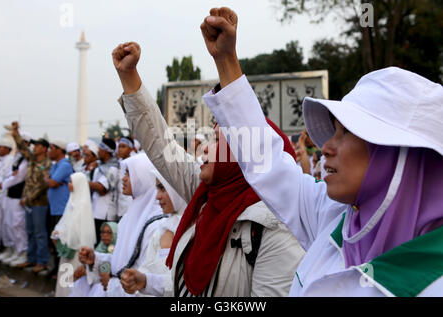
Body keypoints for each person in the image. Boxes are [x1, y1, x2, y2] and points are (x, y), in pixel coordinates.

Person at [200, 7, 443, 296]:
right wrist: (226, 61)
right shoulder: (334, 218)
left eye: (346, 132)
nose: (325, 148)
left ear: (398, 154)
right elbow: (269, 163)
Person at [113, 41, 305, 296]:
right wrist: (129, 76)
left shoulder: (275, 229)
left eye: (215, 140)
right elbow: (160, 145)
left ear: (242, 153)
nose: (203, 148)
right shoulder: (208, 198)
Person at [77, 153, 167, 297]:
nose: (123, 178)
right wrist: (96, 259)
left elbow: (151, 282)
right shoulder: (129, 216)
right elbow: (122, 262)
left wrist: (114, 286)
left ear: (144, 178)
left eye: (129, 174)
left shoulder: (158, 225)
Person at [120, 170, 186, 297]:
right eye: (157, 189)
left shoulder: (192, 230)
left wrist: (146, 282)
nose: (157, 196)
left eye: (163, 188)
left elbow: (181, 284)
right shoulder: (164, 227)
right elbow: (146, 267)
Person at [10, 122, 52, 272]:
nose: (35, 147)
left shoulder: (48, 163)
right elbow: (22, 147)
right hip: (28, 202)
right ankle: (31, 259)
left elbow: (43, 185)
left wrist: (29, 197)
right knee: (29, 231)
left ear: (45, 148)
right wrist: (15, 132)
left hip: (40, 202)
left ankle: (42, 261)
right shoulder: (32, 160)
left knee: (40, 233)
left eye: (38, 145)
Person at [51, 172, 96, 297]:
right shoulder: (73, 200)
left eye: (71, 182)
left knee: (71, 283)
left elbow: (77, 231)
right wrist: (58, 232)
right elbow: (65, 222)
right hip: (66, 249)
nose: (69, 185)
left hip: (76, 252)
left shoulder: (82, 206)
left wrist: (61, 234)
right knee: (65, 281)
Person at [1, 134, 29, 266]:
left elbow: (19, 177)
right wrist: (7, 180)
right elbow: (10, 174)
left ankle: (22, 252)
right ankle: (13, 250)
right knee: (9, 223)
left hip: (19, 195)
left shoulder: (26, 159)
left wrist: (5, 183)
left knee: (18, 224)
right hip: (10, 194)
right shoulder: (17, 157)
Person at [46, 139, 74, 276]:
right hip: (54, 208)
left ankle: (60, 271)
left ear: (59, 150)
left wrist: (52, 182)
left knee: (59, 240)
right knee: (53, 239)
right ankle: (55, 269)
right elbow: (49, 180)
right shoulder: (55, 165)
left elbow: (51, 181)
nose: (49, 150)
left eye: (51, 148)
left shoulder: (65, 165)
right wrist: (51, 181)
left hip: (62, 209)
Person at [70, 221, 117, 297]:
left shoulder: (119, 250)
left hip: (105, 284)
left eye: (109, 232)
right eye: (103, 232)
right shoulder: (99, 248)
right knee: (79, 284)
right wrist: (86, 267)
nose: (105, 235)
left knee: (98, 289)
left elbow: (108, 269)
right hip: (92, 281)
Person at [89, 137, 120, 244]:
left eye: (100, 149)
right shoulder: (99, 167)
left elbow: (102, 189)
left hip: (106, 215)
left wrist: (83, 182)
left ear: (106, 151)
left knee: (105, 246)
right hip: (95, 212)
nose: (98, 151)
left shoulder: (113, 169)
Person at [0, 138, 14, 262]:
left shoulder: (11, 161)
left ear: (7, 149)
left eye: (1, 147)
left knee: (8, 224)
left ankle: (9, 249)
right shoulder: (0, 162)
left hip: (7, 196)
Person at [116, 137, 134, 221]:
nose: (120, 149)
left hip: (130, 205)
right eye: (119, 147)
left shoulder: (134, 164)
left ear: (131, 149)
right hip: (120, 207)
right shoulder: (117, 163)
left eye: (123, 147)